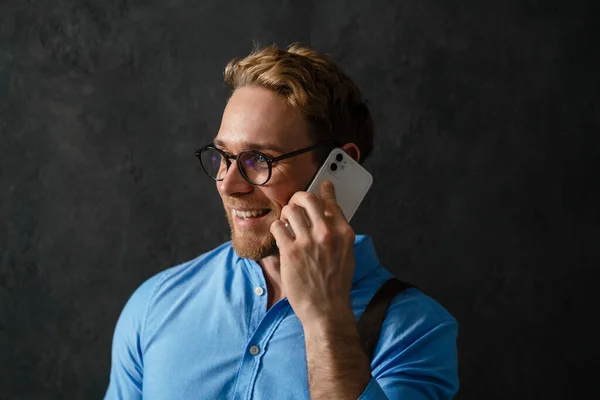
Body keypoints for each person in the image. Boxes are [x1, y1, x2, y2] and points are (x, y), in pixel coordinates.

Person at [105, 43, 459, 399]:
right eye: (224, 156)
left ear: (339, 169)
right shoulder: (155, 303)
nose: (228, 184)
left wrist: (326, 322)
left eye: (259, 159)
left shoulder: (416, 332)